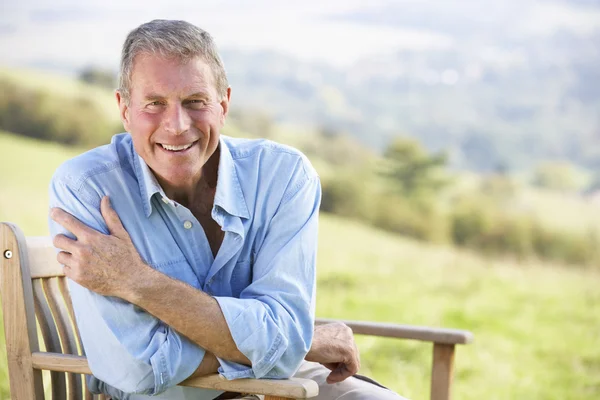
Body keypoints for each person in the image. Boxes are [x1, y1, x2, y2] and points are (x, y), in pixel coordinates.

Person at [49, 19, 405, 400]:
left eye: (195, 102)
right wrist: (300, 343)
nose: (177, 125)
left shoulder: (283, 176)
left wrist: (139, 282)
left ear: (223, 104)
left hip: (280, 383)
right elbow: (140, 366)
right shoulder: (86, 188)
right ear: (124, 109)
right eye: (154, 104)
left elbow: (285, 332)